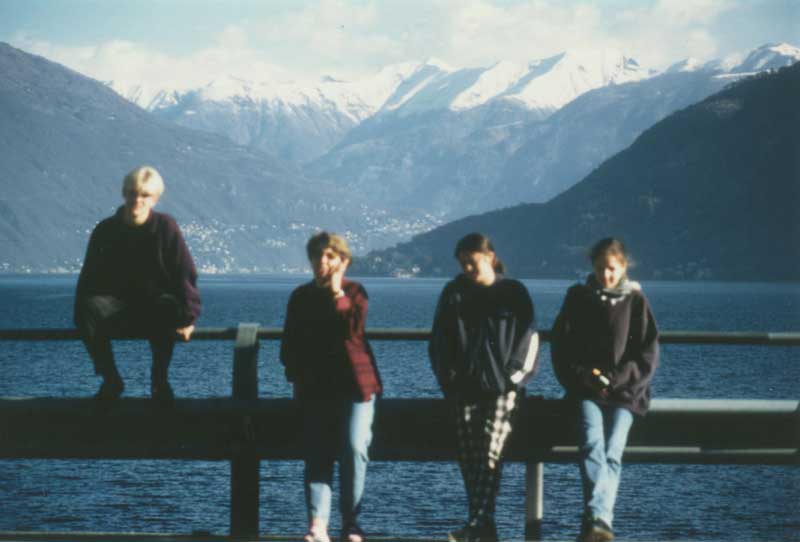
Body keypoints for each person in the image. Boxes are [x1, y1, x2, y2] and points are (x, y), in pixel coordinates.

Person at [429, 232, 540, 542]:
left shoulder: (514, 293)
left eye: (471, 261)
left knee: (489, 454)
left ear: (489, 256)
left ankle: (477, 525)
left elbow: (529, 339)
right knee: (471, 460)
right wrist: (448, 380)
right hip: (463, 391)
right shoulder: (453, 294)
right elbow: (438, 341)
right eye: (462, 263)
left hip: (504, 392)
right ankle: (483, 527)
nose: (466, 268)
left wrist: (512, 381)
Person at [550, 238, 659, 542]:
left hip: (626, 394)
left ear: (622, 267)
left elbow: (648, 354)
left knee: (613, 450)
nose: (605, 275)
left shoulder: (636, 301)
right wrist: (585, 376)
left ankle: (596, 519)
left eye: (611, 269)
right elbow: (562, 347)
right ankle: (601, 521)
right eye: (600, 269)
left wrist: (617, 379)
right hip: (586, 391)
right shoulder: (578, 297)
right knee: (592, 444)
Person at [279, 231, 382, 542]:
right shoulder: (300, 296)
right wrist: (295, 378)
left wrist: (338, 294)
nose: (321, 262)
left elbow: (353, 331)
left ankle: (351, 523)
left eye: (329, 256)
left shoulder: (356, 293)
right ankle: (317, 525)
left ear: (343, 261)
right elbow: (290, 344)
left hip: (356, 388)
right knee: (318, 452)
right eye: (317, 256)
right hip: (316, 388)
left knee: (353, 448)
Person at [74, 166, 201, 404]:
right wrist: (83, 314)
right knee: (86, 307)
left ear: (155, 199)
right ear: (124, 193)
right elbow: (87, 280)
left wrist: (188, 319)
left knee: (167, 306)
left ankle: (159, 381)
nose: (137, 200)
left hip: (155, 306)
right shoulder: (105, 230)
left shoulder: (166, 228)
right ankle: (111, 380)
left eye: (145, 195)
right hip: (115, 306)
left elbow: (184, 274)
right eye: (133, 193)